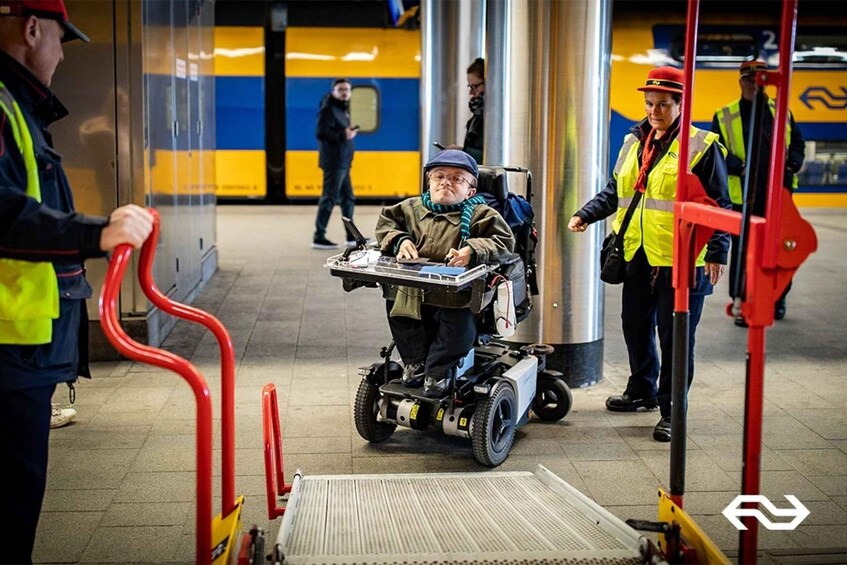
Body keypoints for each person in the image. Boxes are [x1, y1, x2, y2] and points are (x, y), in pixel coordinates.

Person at [0, 3, 154, 561]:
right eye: (60, 39)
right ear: (31, 28)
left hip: (24, 342)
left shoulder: (17, 105)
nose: (62, 55)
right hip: (10, 347)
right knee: (10, 503)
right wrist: (97, 233)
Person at [567, 67, 731, 442]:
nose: (654, 111)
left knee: (676, 338)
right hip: (638, 253)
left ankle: (673, 411)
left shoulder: (701, 146)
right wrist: (586, 214)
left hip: (682, 258)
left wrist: (718, 252)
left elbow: (720, 203)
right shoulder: (634, 141)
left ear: (680, 104)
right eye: (649, 103)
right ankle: (642, 388)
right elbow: (617, 190)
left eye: (663, 104)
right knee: (635, 325)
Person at [375, 150, 514, 397]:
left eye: (457, 178)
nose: (445, 182)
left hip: (455, 295)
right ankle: (415, 363)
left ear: (470, 191)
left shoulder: (482, 215)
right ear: (429, 182)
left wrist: (472, 249)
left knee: (456, 332)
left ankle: (437, 371)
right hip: (412, 291)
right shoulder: (409, 208)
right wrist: (399, 240)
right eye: (439, 176)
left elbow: (504, 242)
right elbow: (387, 225)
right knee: (401, 318)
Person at [711, 59, 805, 324]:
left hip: (778, 196)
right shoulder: (725, 115)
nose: (756, 85)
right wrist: (738, 166)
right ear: (741, 82)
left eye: (761, 81)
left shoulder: (782, 112)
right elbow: (717, 150)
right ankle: (742, 301)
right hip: (743, 198)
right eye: (750, 81)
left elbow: (797, 143)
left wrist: (792, 165)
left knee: (779, 249)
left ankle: (777, 297)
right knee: (744, 252)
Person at [313, 77, 357, 249]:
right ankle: (319, 237)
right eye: (341, 89)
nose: (345, 92)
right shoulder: (328, 109)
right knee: (329, 198)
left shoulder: (341, 109)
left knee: (348, 198)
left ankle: (352, 237)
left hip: (343, 161)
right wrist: (343, 135)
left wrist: (347, 133)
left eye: (347, 89)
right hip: (334, 161)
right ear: (333, 92)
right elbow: (320, 132)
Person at [448, 57, 484, 163]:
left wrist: (463, 152)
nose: (471, 93)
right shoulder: (476, 119)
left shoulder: (497, 121)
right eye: (470, 87)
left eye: (475, 87)